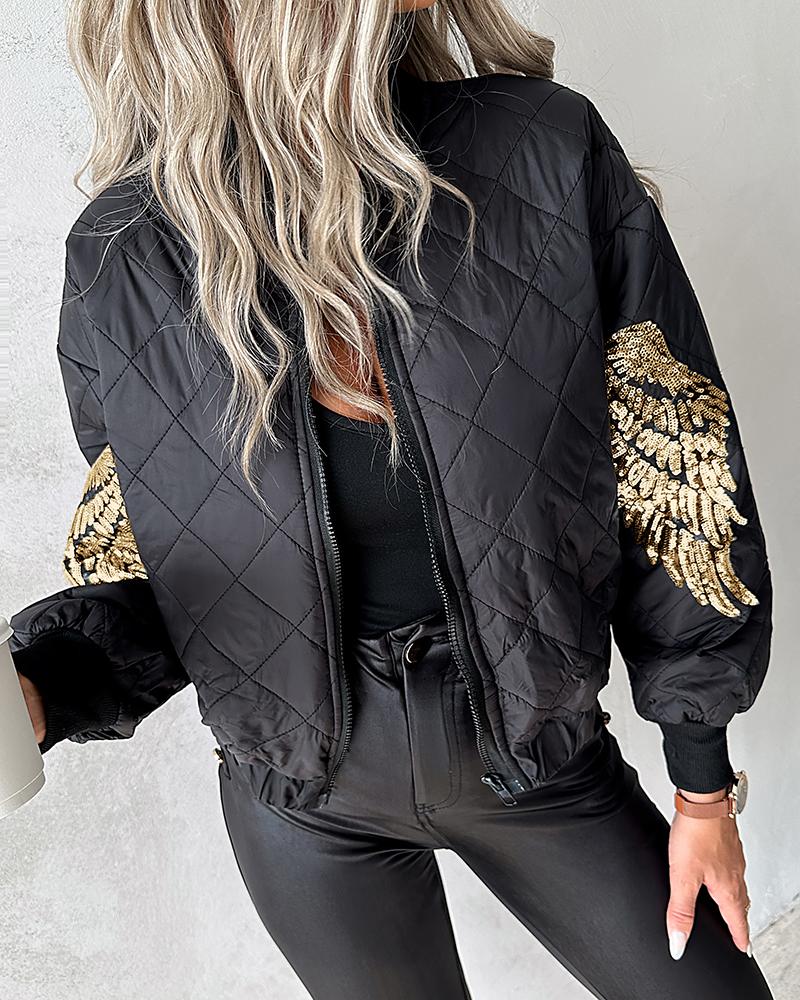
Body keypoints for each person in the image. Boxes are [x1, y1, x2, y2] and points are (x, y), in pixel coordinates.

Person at [11, 2, 775, 998]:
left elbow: (676, 465)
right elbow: (154, 565)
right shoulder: (123, 259)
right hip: (301, 807)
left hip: (536, 761)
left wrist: (701, 783)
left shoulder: (542, 153)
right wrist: (42, 688)